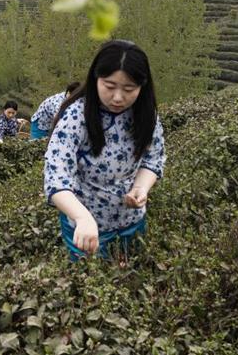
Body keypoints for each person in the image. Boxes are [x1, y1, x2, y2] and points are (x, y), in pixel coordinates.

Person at [43, 40, 165, 261]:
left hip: (132, 222)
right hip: (86, 229)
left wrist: (141, 187)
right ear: (95, 79)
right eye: (109, 86)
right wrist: (82, 217)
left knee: (133, 275)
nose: (118, 97)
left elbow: (153, 158)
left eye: (129, 89)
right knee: (88, 281)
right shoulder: (76, 117)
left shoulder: (146, 115)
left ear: (142, 86)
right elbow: (56, 176)